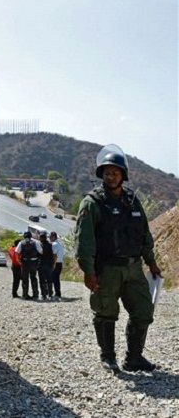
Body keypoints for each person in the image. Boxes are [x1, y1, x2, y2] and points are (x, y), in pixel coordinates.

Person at [74, 144, 163, 373]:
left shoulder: (133, 201)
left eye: (115, 172)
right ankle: (108, 356)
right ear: (101, 175)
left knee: (143, 312)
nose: (111, 176)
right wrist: (88, 271)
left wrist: (151, 262)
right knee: (106, 313)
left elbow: (144, 234)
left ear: (123, 175)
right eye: (106, 172)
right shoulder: (92, 203)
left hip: (134, 268)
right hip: (107, 270)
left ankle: (134, 358)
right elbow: (84, 241)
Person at [15, 231, 42, 300]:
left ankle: (25, 295)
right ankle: (35, 295)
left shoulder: (21, 243)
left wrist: (19, 261)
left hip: (24, 262)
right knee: (33, 278)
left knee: (25, 279)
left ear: (24, 236)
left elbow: (17, 252)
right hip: (33, 262)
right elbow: (41, 251)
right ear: (31, 236)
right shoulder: (36, 242)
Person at [37, 232, 55, 300]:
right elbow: (52, 255)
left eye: (40, 238)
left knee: (42, 280)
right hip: (49, 265)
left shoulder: (40, 246)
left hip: (41, 265)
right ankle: (50, 294)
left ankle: (44, 295)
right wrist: (53, 264)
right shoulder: (50, 245)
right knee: (49, 280)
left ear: (41, 238)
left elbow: (38, 255)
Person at [49, 231, 64, 300]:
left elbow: (54, 255)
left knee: (52, 279)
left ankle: (53, 293)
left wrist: (53, 265)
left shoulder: (54, 244)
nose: (49, 238)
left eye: (50, 236)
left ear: (54, 237)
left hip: (56, 263)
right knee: (56, 279)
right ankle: (58, 293)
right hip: (60, 263)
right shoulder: (60, 244)